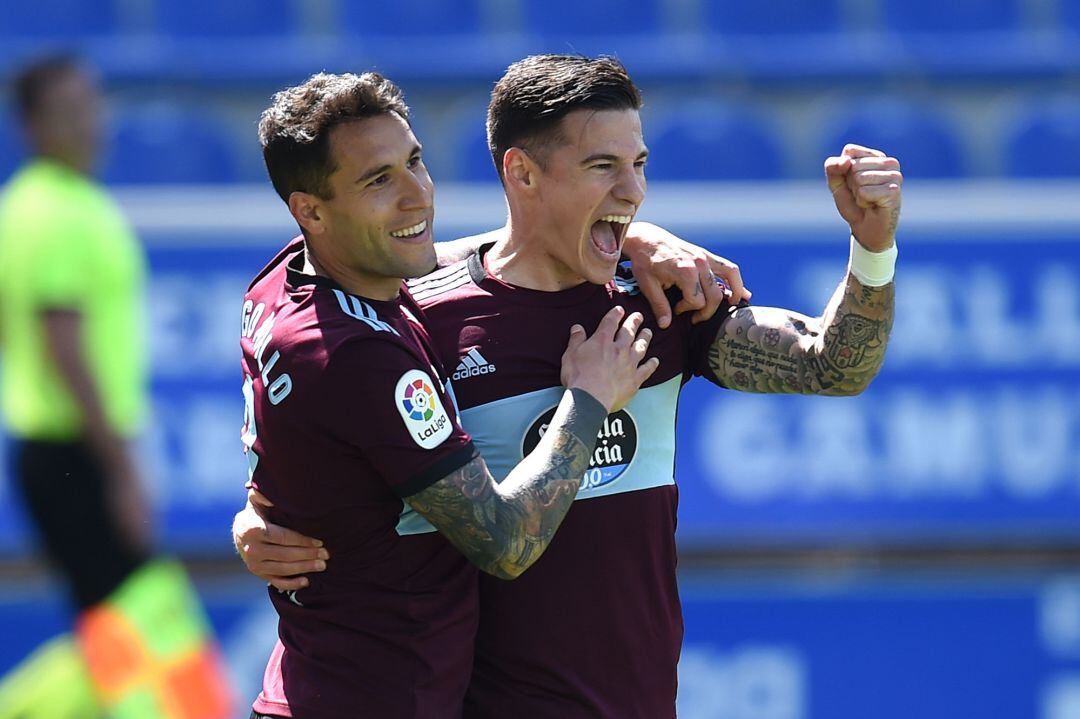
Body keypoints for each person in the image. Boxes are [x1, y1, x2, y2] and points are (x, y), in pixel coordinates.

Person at [236, 55, 900, 717]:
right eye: (601, 167)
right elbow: (326, 403)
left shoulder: (658, 302)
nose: (633, 190)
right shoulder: (413, 310)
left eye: (638, 165)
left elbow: (832, 364)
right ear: (521, 172)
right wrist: (264, 516)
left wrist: (873, 248)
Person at [239, 70, 693, 719]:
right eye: (378, 180)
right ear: (311, 209)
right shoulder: (367, 358)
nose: (415, 196)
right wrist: (590, 399)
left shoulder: (282, 280)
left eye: (415, 161)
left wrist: (631, 235)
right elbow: (505, 541)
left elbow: (299, 434)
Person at [0, 56, 232, 719]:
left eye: (93, 105)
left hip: (51, 448)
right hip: (76, 449)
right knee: (142, 626)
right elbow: (63, 342)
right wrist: (121, 468)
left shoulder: (22, 206)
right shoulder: (58, 213)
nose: (90, 123)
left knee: (113, 628)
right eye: (71, 111)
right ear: (33, 125)